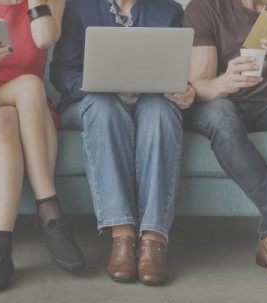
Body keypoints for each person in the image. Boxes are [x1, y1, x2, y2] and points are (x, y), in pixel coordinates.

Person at [0, 0, 84, 293]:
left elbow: (45, 38)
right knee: (31, 84)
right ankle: (49, 211)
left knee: (6, 120)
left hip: (30, 109)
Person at [51, 0, 194, 286]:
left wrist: (187, 89)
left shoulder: (170, 10)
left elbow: (182, 71)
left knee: (162, 112)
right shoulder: (79, 8)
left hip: (149, 101)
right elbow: (60, 71)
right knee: (105, 107)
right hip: (90, 104)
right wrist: (98, 83)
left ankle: (154, 238)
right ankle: (122, 236)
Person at [184, 0, 267, 284]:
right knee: (221, 116)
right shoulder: (204, 8)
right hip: (221, 104)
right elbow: (198, 88)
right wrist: (226, 82)